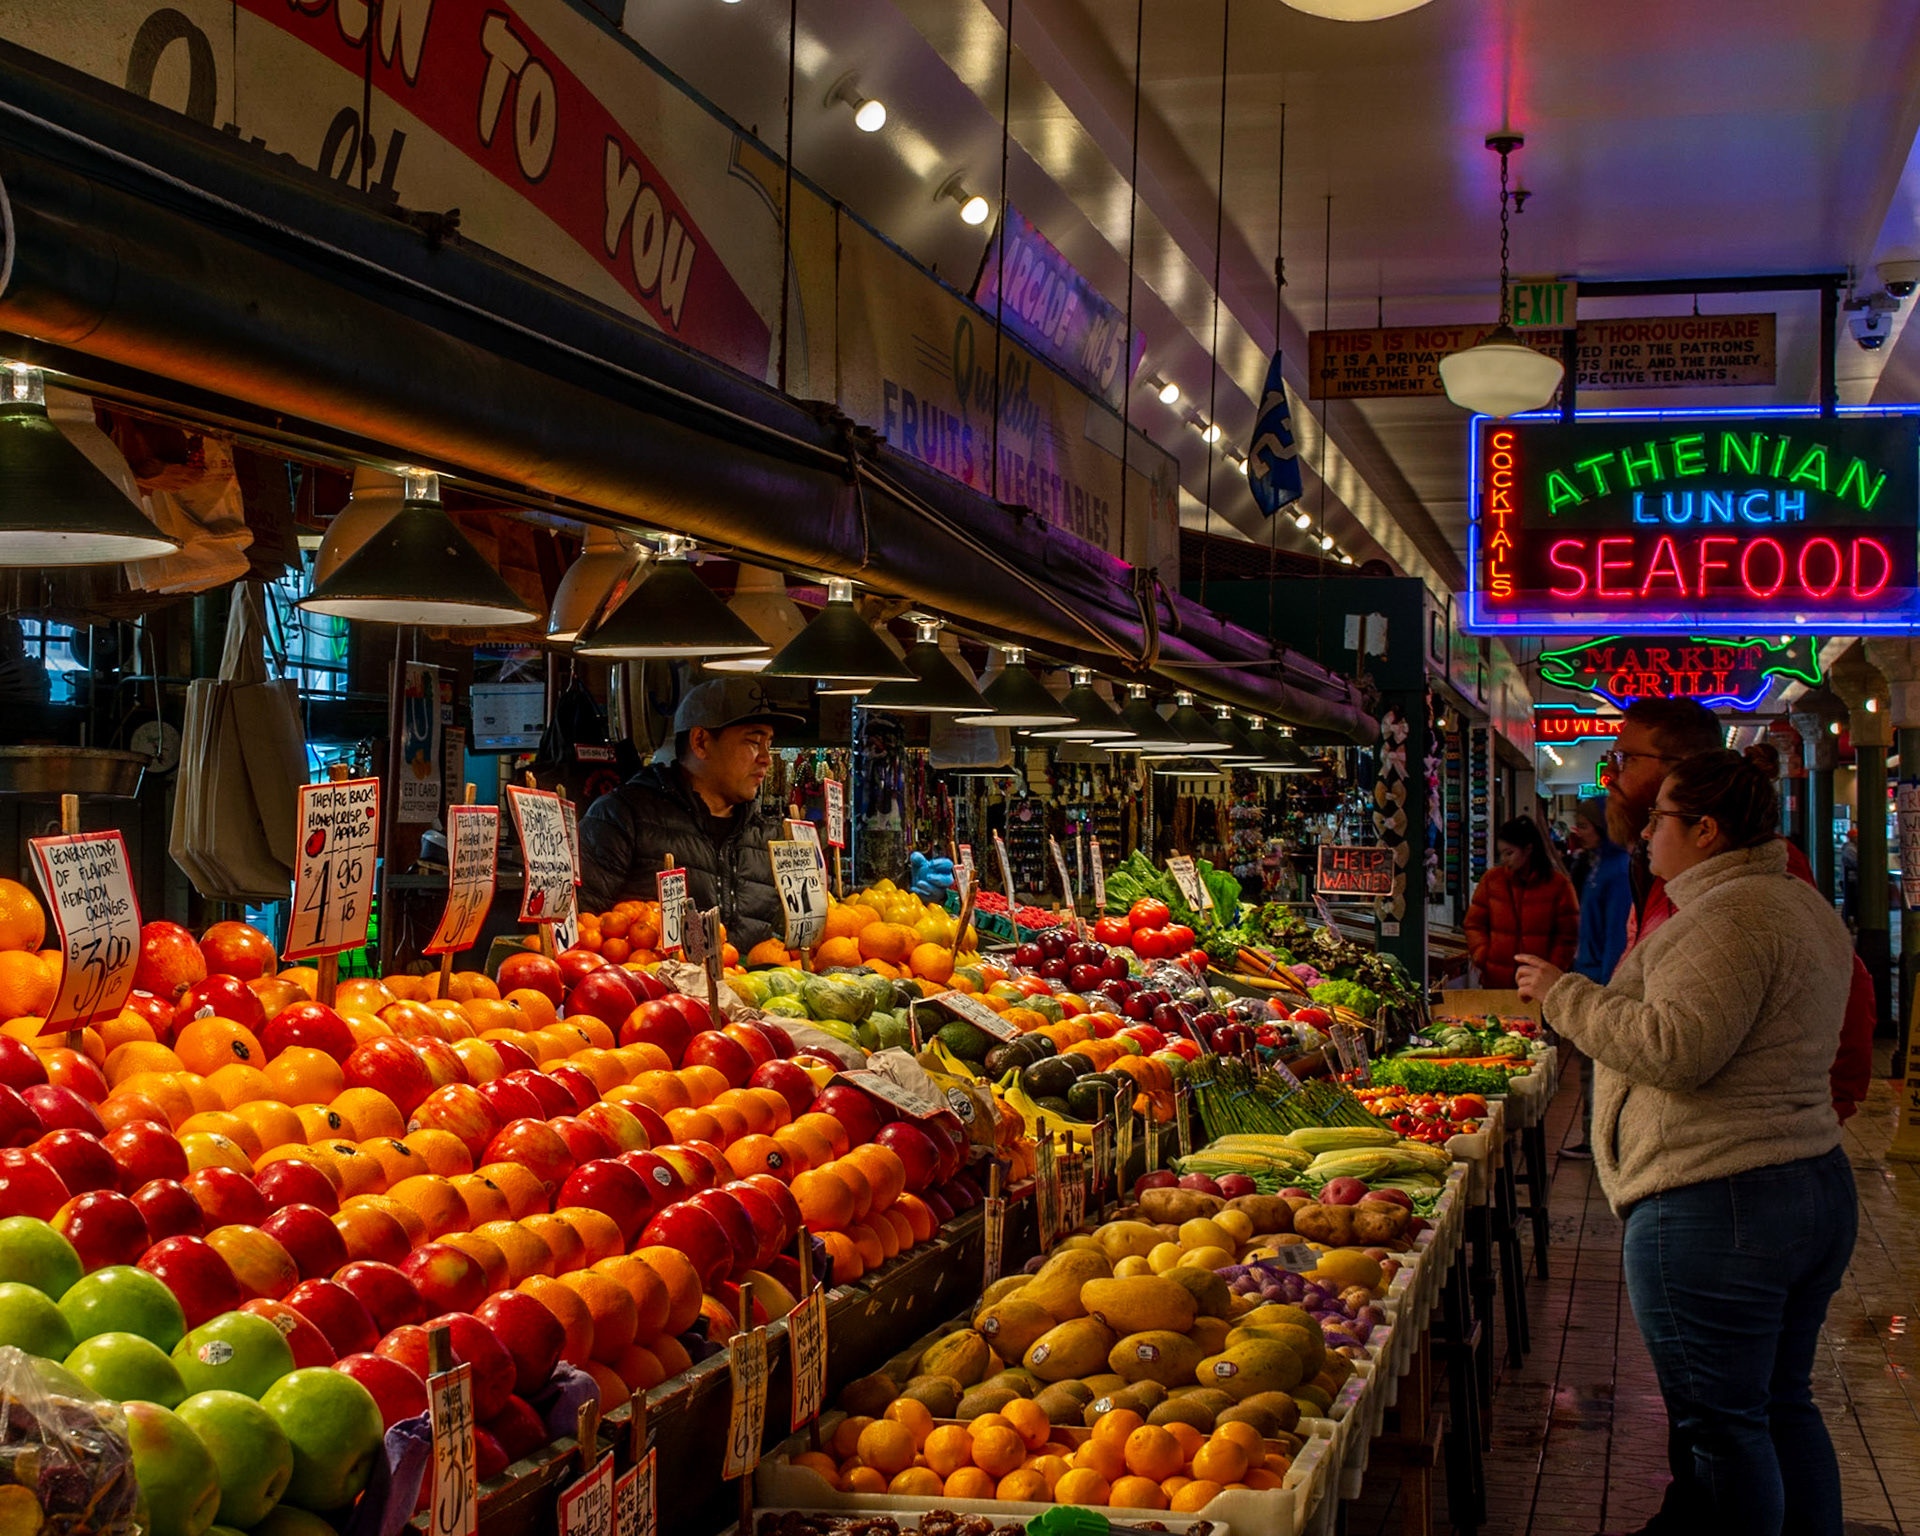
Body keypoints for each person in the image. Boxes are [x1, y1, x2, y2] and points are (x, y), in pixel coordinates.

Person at [1515, 751, 1857, 1536]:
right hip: (1799, 1182)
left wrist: (1564, 995)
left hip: (1722, 1199)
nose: (1644, 837)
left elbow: (1677, 1049)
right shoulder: (1795, 904)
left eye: (1661, 819)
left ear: (1706, 830)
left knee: (1723, 1428)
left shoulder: (1731, 918)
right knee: (1777, 1406)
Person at [1606, 698, 1875, 1124]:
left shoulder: (1757, 869)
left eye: (1626, 759)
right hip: (1684, 1142)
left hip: (1736, 1159)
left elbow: (1841, 987)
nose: (1610, 776)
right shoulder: (1664, 869)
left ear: (1685, 768)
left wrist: (1811, 1114)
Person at [578, 678, 801, 951]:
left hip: (750, 990)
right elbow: (579, 928)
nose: (766, 758)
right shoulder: (620, 817)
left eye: (769, 744)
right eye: (754, 741)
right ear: (701, 742)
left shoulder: (772, 836)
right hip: (649, 989)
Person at [1562, 795, 1629, 1158]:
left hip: (1599, 983)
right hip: (1589, 975)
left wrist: (1605, 989)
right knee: (1589, 1069)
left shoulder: (1616, 873)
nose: (1578, 832)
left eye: (1585, 826)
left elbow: (1616, 937)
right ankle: (1595, 1138)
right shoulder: (1598, 866)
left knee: (1597, 1069)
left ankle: (1598, 1141)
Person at [1463, 814, 1579, 988]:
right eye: (1502, 853)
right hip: (1496, 982)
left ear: (1528, 848)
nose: (1504, 859)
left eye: (1509, 853)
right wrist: (1482, 955)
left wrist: (1552, 968)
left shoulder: (1559, 886)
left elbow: (1567, 936)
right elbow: (1474, 924)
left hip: (1541, 986)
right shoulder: (1491, 881)